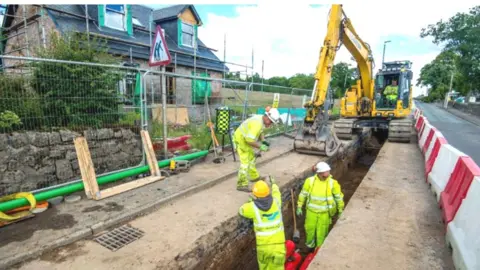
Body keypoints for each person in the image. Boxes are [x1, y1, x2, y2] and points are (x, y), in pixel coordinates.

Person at [238, 177, 286, 270]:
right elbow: (277, 193)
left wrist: (251, 201)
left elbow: (241, 210)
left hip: (263, 247)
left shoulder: (252, 208)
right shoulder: (276, 202)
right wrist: (274, 184)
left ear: (255, 195)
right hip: (278, 247)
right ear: (268, 192)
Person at [296, 161, 344, 250]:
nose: (326, 175)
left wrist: (340, 210)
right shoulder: (309, 181)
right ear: (318, 173)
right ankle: (309, 247)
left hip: (324, 213)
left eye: (328, 173)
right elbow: (303, 194)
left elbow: (339, 198)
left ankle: (318, 250)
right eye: (324, 174)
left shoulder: (333, 183)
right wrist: (299, 206)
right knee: (310, 230)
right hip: (311, 212)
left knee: (321, 233)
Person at [233, 108, 281, 192]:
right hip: (240, 140)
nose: (270, 124)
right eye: (270, 122)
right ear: (267, 116)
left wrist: (263, 140)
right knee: (245, 163)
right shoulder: (257, 124)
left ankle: (254, 177)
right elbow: (249, 140)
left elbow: (261, 132)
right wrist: (260, 147)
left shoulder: (261, 119)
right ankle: (241, 184)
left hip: (245, 139)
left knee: (251, 158)